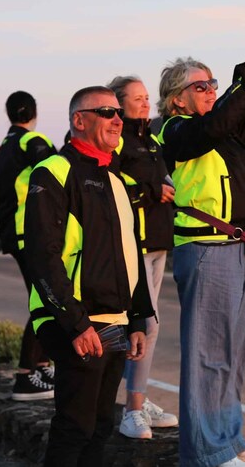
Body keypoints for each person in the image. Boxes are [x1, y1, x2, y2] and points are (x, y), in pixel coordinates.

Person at [157, 39, 245, 467]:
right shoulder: (177, 131)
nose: (212, 90)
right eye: (202, 86)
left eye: (214, 84)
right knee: (208, 355)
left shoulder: (224, 129)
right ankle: (204, 452)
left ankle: (227, 437)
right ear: (177, 98)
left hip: (239, 249)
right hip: (206, 249)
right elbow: (216, 126)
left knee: (233, 353)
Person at [24, 86, 154, 466]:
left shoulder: (117, 180)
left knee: (100, 425)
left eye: (119, 114)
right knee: (74, 425)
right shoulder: (53, 171)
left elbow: (132, 255)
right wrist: (76, 323)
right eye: (106, 112)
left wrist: (137, 319)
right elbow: (41, 256)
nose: (118, 120)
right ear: (79, 121)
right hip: (76, 320)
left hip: (113, 320)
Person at [108, 75, 177, 440]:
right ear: (120, 103)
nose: (146, 102)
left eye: (147, 96)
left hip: (159, 241)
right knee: (145, 326)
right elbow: (111, 181)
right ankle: (131, 411)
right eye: (137, 98)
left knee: (145, 326)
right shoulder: (117, 139)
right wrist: (151, 188)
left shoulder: (151, 138)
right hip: (134, 243)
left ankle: (138, 396)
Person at [0, 90, 58, 400]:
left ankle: (42, 365)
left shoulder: (2, 149)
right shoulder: (30, 142)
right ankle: (24, 376)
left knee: (43, 299)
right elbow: (59, 172)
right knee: (45, 301)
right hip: (30, 233)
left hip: (12, 234)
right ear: (34, 112)